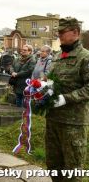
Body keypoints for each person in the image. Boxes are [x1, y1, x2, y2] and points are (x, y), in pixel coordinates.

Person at [45, 17, 89, 182]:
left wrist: (66, 98)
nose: (59, 35)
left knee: (73, 171)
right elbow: (50, 81)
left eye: (62, 32)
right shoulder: (57, 56)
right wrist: (40, 90)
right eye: (58, 32)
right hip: (53, 119)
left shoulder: (85, 57)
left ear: (76, 32)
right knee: (53, 166)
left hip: (74, 123)